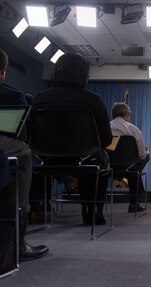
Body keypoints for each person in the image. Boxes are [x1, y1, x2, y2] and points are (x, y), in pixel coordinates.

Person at [32, 53, 113, 226]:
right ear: (84, 75)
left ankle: (36, 207)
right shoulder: (94, 100)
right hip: (83, 158)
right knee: (100, 156)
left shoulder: (39, 99)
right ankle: (92, 209)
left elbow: (30, 135)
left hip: (46, 159)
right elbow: (105, 139)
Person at [0, 49, 48, 261]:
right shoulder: (11, 96)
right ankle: (14, 243)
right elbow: (24, 138)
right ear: (2, 71)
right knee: (23, 153)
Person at [110, 102, 149, 213]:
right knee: (142, 161)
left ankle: (98, 208)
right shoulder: (133, 129)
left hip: (108, 167)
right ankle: (134, 202)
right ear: (127, 114)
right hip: (129, 167)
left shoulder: (105, 128)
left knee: (135, 168)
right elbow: (142, 154)